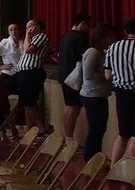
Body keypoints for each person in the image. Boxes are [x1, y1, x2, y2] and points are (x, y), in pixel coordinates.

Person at [80, 23, 116, 161]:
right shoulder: (93, 52)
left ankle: (96, 156)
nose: (112, 40)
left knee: (100, 128)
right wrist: (106, 74)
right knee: (96, 129)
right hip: (92, 95)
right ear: (102, 37)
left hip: (99, 95)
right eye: (110, 37)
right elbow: (88, 74)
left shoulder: (101, 52)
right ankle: (90, 159)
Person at [11, 19, 51, 134]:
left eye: (31, 27)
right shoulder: (30, 39)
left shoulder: (41, 36)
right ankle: (38, 128)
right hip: (22, 73)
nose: (28, 29)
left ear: (38, 28)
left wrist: (27, 36)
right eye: (27, 27)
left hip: (31, 73)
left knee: (29, 104)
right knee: (24, 103)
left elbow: (28, 50)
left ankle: (31, 132)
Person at [104, 18, 135, 165]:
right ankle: (131, 172)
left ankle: (113, 168)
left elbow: (107, 75)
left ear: (125, 31)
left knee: (123, 133)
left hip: (121, 93)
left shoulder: (113, 47)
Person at [56, 13, 91, 138]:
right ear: (82, 24)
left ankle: (68, 138)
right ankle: (69, 139)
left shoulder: (64, 37)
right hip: (74, 78)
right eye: (87, 25)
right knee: (74, 109)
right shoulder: (79, 38)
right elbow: (85, 57)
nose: (88, 29)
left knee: (70, 108)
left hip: (64, 77)